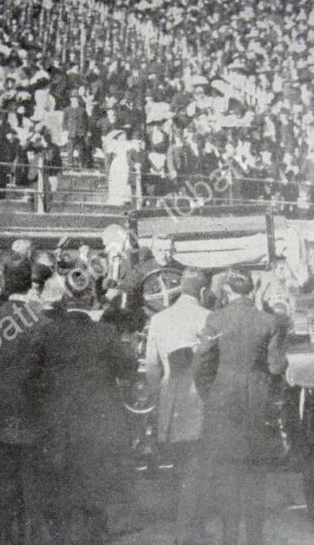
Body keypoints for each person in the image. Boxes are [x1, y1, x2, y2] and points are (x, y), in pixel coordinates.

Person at [186, 268, 288, 545]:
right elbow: (277, 367)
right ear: (252, 290)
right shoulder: (269, 322)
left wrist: (211, 393)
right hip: (257, 402)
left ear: (228, 291)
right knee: (255, 475)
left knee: (227, 475)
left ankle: (229, 538)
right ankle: (255, 539)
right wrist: (269, 393)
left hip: (223, 404)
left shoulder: (216, 319)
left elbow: (200, 364)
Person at [37, 282, 138, 542]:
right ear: (91, 299)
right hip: (97, 425)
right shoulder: (105, 333)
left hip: (59, 423)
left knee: (62, 490)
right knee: (94, 490)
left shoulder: (47, 333)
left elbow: (35, 376)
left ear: (65, 299)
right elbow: (128, 370)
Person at [0, 257, 47, 543]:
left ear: (4, 284)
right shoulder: (41, 321)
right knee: (33, 487)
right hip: (33, 413)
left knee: (3, 485)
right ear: (30, 285)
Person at [145, 268, 210, 462]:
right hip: (198, 395)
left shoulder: (158, 319)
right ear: (203, 291)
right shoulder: (207, 316)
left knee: (174, 459)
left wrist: (156, 398)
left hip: (169, 395)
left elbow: (151, 366)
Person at [117, 234, 184, 310]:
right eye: (160, 250)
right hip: (150, 311)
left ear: (173, 249)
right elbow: (129, 286)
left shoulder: (181, 269)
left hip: (174, 311)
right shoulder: (143, 269)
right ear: (154, 250)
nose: (166, 254)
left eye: (168, 250)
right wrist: (117, 284)